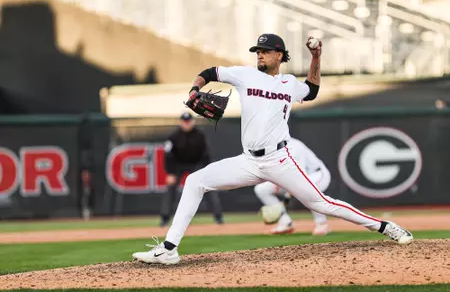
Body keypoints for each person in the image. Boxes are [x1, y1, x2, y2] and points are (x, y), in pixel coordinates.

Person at [133, 34, 413, 265]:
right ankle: (169, 249)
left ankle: (385, 227)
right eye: (258, 51)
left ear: (280, 55)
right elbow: (209, 73)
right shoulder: (244, 75)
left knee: (321, 203)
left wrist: (316, 57)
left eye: (265, 51)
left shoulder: (288, 83)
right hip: (248, 161)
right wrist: (195, 90)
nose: (260, 55)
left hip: (280, 158)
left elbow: (312, 90)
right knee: (195, 181)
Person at [254, 137, 330, 235]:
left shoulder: (294, 147)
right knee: (262, 189)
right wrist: (276, 182)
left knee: (307, 189)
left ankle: (321, 223)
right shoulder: (271, 148)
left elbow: (300, 177)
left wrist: (285, 201)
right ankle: (285, 222)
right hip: (292, 178)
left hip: (317, 175)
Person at [160, 112, 224, 227]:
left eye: (189, 121)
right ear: (180, 122)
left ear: (193, 121)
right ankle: (165, 219)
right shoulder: (173, 136)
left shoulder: (200, 135)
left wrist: (207, 171)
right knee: (170, 188)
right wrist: (170, 173)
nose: (187, 124)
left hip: (196, 164)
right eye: (184, 121)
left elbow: (206, 155)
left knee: (208, 187)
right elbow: (167, 155)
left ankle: (218, 217)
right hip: (178, 165)